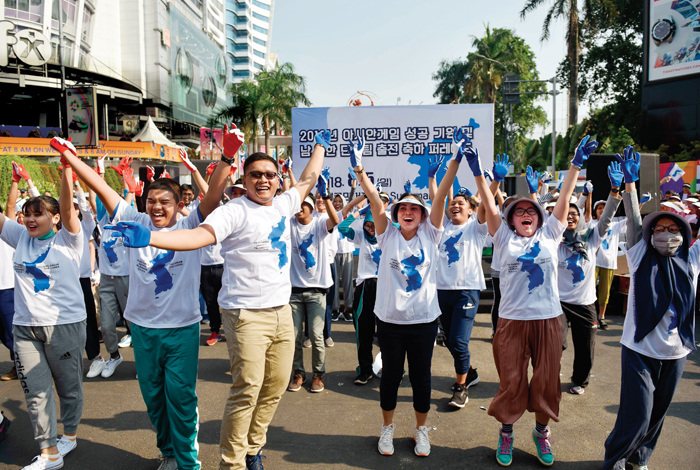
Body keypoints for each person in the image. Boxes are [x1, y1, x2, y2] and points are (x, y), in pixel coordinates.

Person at [103, 129, 329, 469]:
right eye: (255, 175)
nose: (263, 180)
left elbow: (309, 178)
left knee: (276, 385)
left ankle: (253, 447)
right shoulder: (234, 211)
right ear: (246, 179)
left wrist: (321, 145)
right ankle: (233, 463)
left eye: (270, 175)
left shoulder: (284, 204)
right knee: (248, 388)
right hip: (245, 314)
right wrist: (151, 236)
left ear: (279, 180)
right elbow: (197, 235)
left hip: (282, 312)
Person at [66, 142, 233, 470]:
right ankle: (167, 452)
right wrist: (69, 156)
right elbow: (99, 187)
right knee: (155, 401)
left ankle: (188, 463)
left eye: (164, 202)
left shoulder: (188, 225)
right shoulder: (133, 218)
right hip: (143, 329)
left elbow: (213, 196)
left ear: (177, 204)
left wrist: (227, 158)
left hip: (182, 329)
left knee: (181, 399)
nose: (157, 208)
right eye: (151, 201)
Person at [473, 135, 598, 467]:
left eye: (531, 210)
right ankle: (507, 432)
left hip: (548, 321)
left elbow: (566, 196)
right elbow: (488, 201)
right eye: (519, 212)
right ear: (511, 220)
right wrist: (478, 175)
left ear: (539, 218)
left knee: (546, 380)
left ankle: (541, 432)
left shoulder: (550, 234)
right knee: (511, 380)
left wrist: (575, 163)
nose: (525, 214)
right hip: (512, 322)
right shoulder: (502, 238)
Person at [354, 130, 455, 458]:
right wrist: (359, 170)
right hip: (391, 322)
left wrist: (453, 162)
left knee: (422, 379)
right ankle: (387, 429)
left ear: (423, 216)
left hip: (424, 322)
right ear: (396, 215)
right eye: (402, 209)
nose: (408, 212)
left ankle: (421, 431)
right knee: (391, 378)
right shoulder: (387, 236)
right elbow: (373, 199)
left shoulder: (431, 236)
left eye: (415, 209)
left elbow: (439, 198)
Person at [604, 147, 699, 470]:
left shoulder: (693, 260)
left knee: (658, 414)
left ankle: (639, 458)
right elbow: (632, 220)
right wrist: (630, 184)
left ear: (684, 235)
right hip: (640, 350)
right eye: (659, 229)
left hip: (677, 352)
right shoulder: (640, 255)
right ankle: (616, 457)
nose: (665, 235)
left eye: (672, 230)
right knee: (638, 413)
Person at [1, 139, 86, 470]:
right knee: (36, 391)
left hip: (64, 325)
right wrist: (13, 183)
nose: (31, 219)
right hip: (24, 328)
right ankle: (49, 453)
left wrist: (67, 167)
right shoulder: (19, 235)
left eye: (40, 214)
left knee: (68, 387)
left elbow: (67, 208)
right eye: (28, 214)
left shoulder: (69, 237)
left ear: (54, 218)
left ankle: (71, 434)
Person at [430, 152, 504, 408]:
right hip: (441, 291)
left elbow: (485, 202)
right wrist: (432, 178)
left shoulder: (476, 227)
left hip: (466, 291)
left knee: (459, 341)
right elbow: (437, 199)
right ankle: (469, 373)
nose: (456, 205)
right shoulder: (442, 229)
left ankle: (461, 388)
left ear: (472, 210)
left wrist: (493, 181)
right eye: (454, 202)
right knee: (450, 341)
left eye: (462, 203)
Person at [557, 164, 620, 396]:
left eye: (575, 213)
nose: (571, 216)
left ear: (581, 219)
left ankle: (579, 381)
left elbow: (606, 219)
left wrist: (615, 190)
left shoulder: (591, 238)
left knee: (585, 348)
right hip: (559, 304)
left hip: (585, 304)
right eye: (567, 214)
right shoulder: (555, 241)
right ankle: (551, 377)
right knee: (555, 345)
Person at [287, 179, 339, 393]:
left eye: (304, 204)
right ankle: (298, 373)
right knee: (295, 336)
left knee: (317, 336)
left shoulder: (319, 224)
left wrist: (325, 196)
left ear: (310, 207)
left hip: (317, 292)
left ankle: (318, 375)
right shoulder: (289, 224)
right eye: (297, 205)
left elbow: (335, 220)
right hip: (294, 292)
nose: (299, 209)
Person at [85, 155, 130, 379]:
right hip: (107, 279)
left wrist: (125, 179)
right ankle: (114, 357)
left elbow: (129, 192)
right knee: (106, 325)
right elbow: (96, 193)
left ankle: (143, 362)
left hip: (127, 278)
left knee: (134, 324)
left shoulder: (128, 217)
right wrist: (99, 170)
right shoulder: (103, 221)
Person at [339, 200, 381, 385]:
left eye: (374, 226)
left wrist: (382, 216)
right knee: (363, 331)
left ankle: (395, 367)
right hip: (365, 287)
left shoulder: (388, 236)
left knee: (389, 332)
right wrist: (358, 213)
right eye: (368, 226)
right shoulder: (361, 237)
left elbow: (400, 225)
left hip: (385, 286)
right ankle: (365, 370)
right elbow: (342, 226)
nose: (371, 229)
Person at [590, 197, 627, 330]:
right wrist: (588, 195)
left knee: (604, 293)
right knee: (589, 290)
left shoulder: (616, 224)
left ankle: (602, 317)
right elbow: (587, 214)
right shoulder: (592, 223)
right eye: (599, 208)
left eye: (604, 208)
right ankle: (591, 316)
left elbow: (631, 219)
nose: (602, 210)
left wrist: (641, 204)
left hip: (609, 262)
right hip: (593, 262)